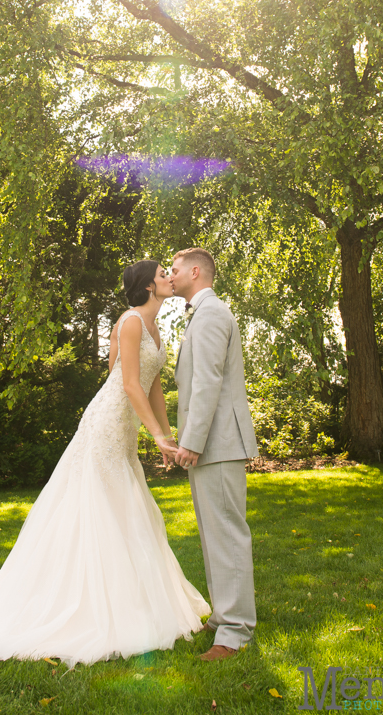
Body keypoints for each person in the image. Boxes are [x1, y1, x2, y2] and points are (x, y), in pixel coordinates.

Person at [0, 260, 210, 667]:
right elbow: (124, 382)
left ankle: (130, 600)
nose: (167, 276)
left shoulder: (157, 328)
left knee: (126, 509)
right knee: (98, 508)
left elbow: (152, 383)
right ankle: (86, 605)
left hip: (125, 428)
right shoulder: (129, 322)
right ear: (146, 285)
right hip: (105, 425)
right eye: (161, 272)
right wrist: (155, 435)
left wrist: (165, 435)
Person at [170, 247, 258, 662]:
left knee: (226, 534)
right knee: (213, 533)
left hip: (217, 442)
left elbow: (207, 383)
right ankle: (224, 615)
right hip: (214, 442)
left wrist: (191, 440)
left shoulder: (210, 314)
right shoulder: (203, 313)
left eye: (173, 269)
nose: (169, 276)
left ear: (195, 271)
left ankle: (236, 632)